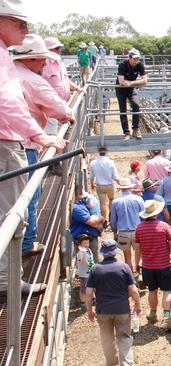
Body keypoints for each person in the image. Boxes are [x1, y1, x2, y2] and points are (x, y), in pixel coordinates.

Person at [0, 1, 66, 295]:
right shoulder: (4, 61)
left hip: (12, 140)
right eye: (20, 23)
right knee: (12, 213)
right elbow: (7, 104)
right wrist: (40, 137)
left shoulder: (7, 59)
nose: (25, 30)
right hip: (8, 142)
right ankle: (5, 282)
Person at [13, 34, 73, 256]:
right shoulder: (33, 80)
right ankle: (27, 244)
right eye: (40, 59)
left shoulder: (8, 74)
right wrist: (68, 116)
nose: (45, 63)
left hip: (14, 142)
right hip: (24, 144)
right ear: (29, 60)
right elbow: (61, 110)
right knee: (29, 193)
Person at [85, 240, 141, 366]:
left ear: (103, 253)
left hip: (103, 311)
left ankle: (111, 363)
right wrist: (138, 305)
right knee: (124, 338)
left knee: (107, 339)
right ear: (115, 252)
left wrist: (89, 310)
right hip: (122, 310)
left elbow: (88, 293)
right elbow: (133, 290)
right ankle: (126, 363)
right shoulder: (124, 267)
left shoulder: (95, 269)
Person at [135, 199, 171, 332]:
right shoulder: (164, 226)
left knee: (152, 290)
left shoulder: (139, 228)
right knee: (166, 291)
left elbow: (137, 248)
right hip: (163, 264)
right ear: (156, 213)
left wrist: (137, 264)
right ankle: (167, 317)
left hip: (147, 266)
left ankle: (153, 313)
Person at [110, 178, 145, 273]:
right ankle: (140, 274)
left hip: (123, 232)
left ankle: (131, 279)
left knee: (127, 257)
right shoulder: (138, 199)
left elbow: (113, 219)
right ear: (130, 187)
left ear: (121, 189)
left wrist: (114, 231)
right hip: (137, 231)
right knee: (140, 254)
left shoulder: (116, 202)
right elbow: (144, 215)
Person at [116, 48, 147, 140]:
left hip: (131, 89)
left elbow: (145, 80)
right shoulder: (122, 65)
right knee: (123, 110)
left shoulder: (140, 65)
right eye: (134, 59)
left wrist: (131, 83)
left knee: (136, 105)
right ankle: (126, 132)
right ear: (129, 58)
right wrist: (137, 82)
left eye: (137, 59)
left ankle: (135, 129)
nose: (136, 61)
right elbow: (121, 82)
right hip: (120, 90)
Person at [42, 36, 83, 102]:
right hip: (52, 106)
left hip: (65, 103)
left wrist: (77, 88)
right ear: (48, 50)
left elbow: (65, 80)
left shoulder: (60, 62)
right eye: (56, 48)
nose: (59, 50)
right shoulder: (43, 65)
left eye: (59, 48)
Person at [90, 148, 119, 220]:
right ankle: (111, 218)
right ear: (106, 152)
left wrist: (92, 184)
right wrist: (120, 184)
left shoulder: (93, 162)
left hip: (99, 185)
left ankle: (104, 220)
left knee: (102, 203)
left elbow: (91, 176)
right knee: (111, 200)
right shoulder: (110, 162)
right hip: (109, 185)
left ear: (98, 152)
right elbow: (115, 176)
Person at [76, 234, 94, 310]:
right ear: (80, 244)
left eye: (88, 243)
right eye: (84, 243)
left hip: (90, 271)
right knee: (84, 287)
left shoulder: (89, 250)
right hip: (84, 273)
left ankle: (93, 298)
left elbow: (91, 260)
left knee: (91, 285)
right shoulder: (80, 253)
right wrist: (83, 253)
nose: (87, 245)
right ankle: (83, 301)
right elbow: (83, 262)